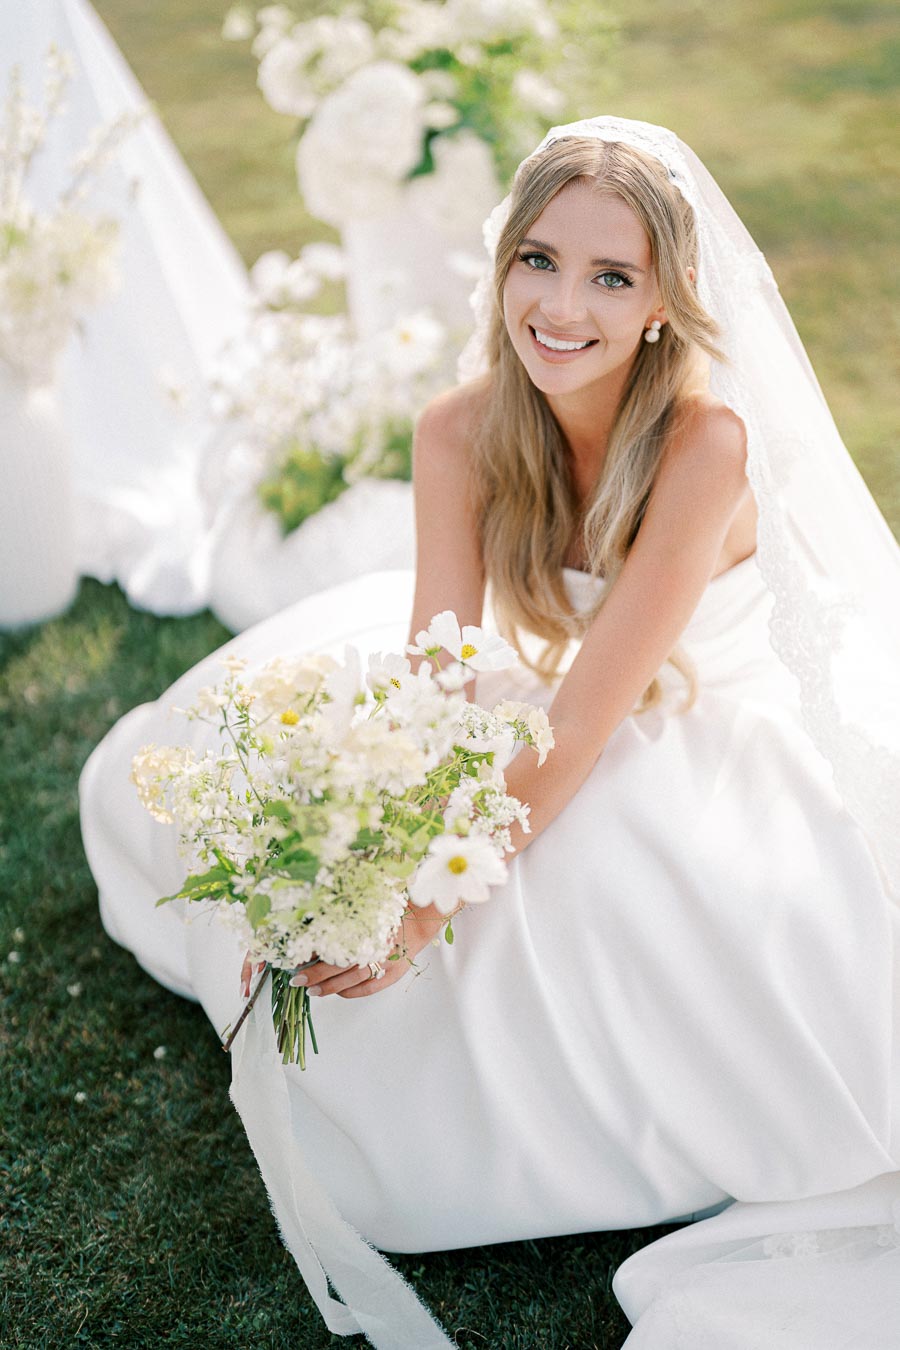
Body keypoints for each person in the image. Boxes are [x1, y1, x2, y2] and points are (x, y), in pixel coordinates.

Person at [80, 117, 900, 1349]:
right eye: (539, 259)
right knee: (212, 749)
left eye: (611, 276)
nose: (561, 305)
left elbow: (583, 722)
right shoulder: (460, 430)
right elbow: (440, 685)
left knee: (623, 882)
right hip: (554, 688)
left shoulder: (705, 444)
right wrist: (353, 863)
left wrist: (423, 903)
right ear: (503, 262)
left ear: (666, 302)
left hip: (704, 706)